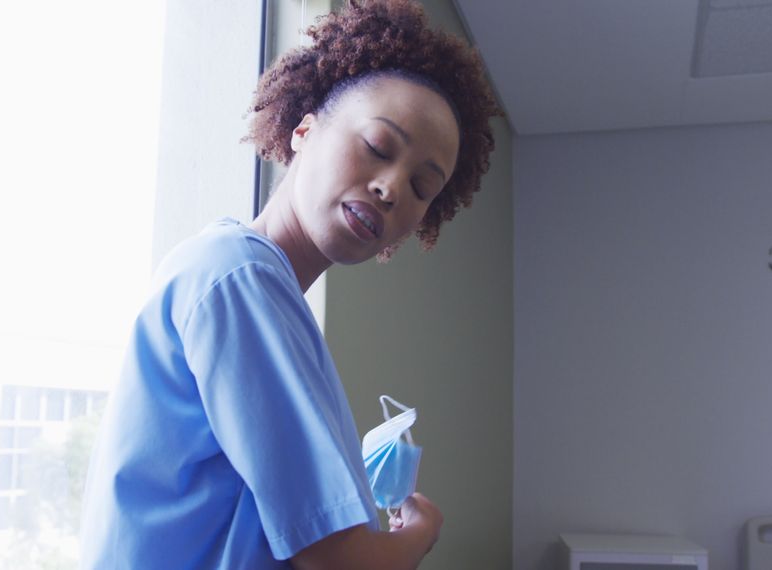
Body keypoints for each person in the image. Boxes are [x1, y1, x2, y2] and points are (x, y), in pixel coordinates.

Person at [78, 1, 500, 568]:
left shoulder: (251, 287)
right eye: (378, 147)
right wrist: (419, 533)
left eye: (423, 187)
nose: (392, 188)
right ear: (303, 129)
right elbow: (341, 562)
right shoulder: (238, 276)